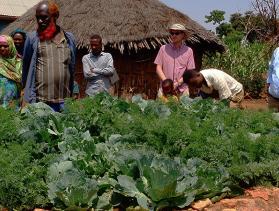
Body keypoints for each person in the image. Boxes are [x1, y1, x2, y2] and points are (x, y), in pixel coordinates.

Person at [22, 1, 76, 112]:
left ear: (55, 16)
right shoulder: (33, 38)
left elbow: (72, 67)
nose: (39, 21)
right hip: (40, 103)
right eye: (37, 18)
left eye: (44, 17)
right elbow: (26, 67)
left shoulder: (69, 38)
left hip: (63, 102)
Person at [154, 23, 195, 98]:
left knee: (183, 109)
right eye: (172, 33)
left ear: (183, 35)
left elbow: (190, 72)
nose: (173, 35)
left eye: (177, 33)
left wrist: (178, 83)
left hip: (182, 90)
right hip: (165, 89)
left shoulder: (189, 51)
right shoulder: (163, 49)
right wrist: (166, 82)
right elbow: (158, 68)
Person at [0, 35, 22, 109]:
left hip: (15, 105)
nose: (2, 48)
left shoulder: (20, 63)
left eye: (5, 46)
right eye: (0, 46)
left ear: (11, 46)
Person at [267, 47, 279, 111]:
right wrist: (269, 81)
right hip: (273, 94)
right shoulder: (277, 50)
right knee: (273, 119)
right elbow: (271, 67)